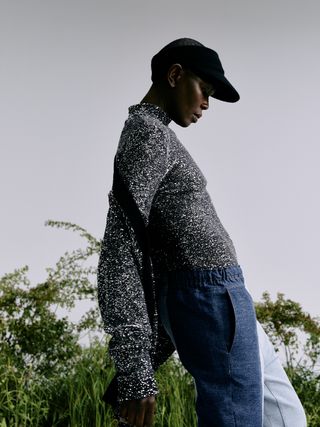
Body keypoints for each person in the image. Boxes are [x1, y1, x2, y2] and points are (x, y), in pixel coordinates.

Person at [97, 38, 307, 427]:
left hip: (222, 295)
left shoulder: (157, 134)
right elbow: (120, 246)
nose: (207, 104)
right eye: (204, 91)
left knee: (286, 418)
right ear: (175, 75)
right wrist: (134, 367)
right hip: (207, 295)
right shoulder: (146, 133)